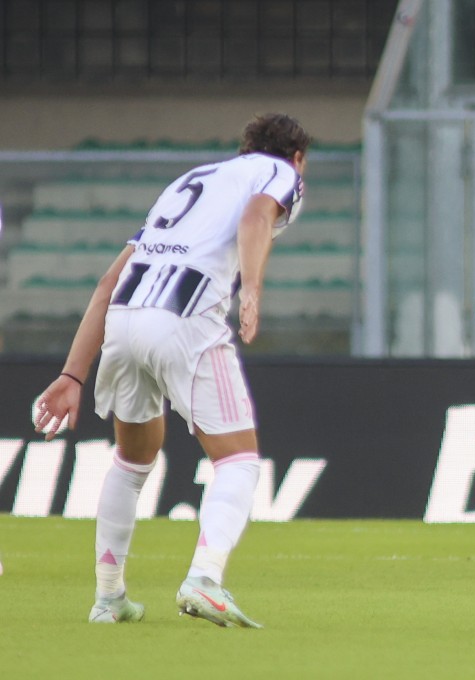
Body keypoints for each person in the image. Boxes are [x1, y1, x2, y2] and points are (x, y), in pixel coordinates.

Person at [33, 113, 310, 628]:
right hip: (185, 317)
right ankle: (204, 577)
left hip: (124, 317)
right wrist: (252, 289)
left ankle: (109, 598)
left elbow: (108, 281)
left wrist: (72, 375)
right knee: (239, 461)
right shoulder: (278, 172)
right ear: (297, 158)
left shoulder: (190, 182)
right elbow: (256, 216)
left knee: (132, 460)